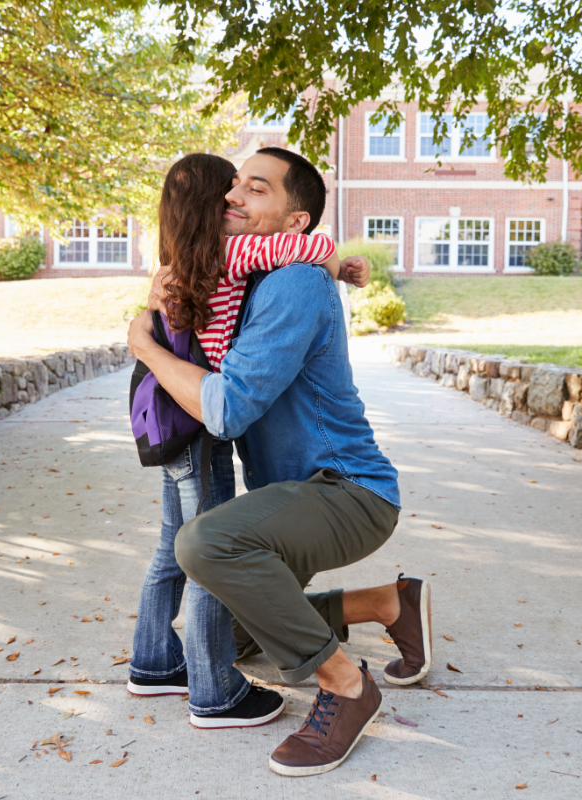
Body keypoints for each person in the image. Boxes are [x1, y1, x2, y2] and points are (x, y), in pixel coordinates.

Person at [127, 146, 434, 776]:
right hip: (293, 500)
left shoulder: (292, 282)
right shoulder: (248, 279)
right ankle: (387, 603)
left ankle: (347, 686)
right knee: (229, 638)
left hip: (347, 491)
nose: (233, 196)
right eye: (233, 184)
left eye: (256, 189)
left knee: (204, 546)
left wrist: (143, 347)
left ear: (295, 223)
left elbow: (226, 408)